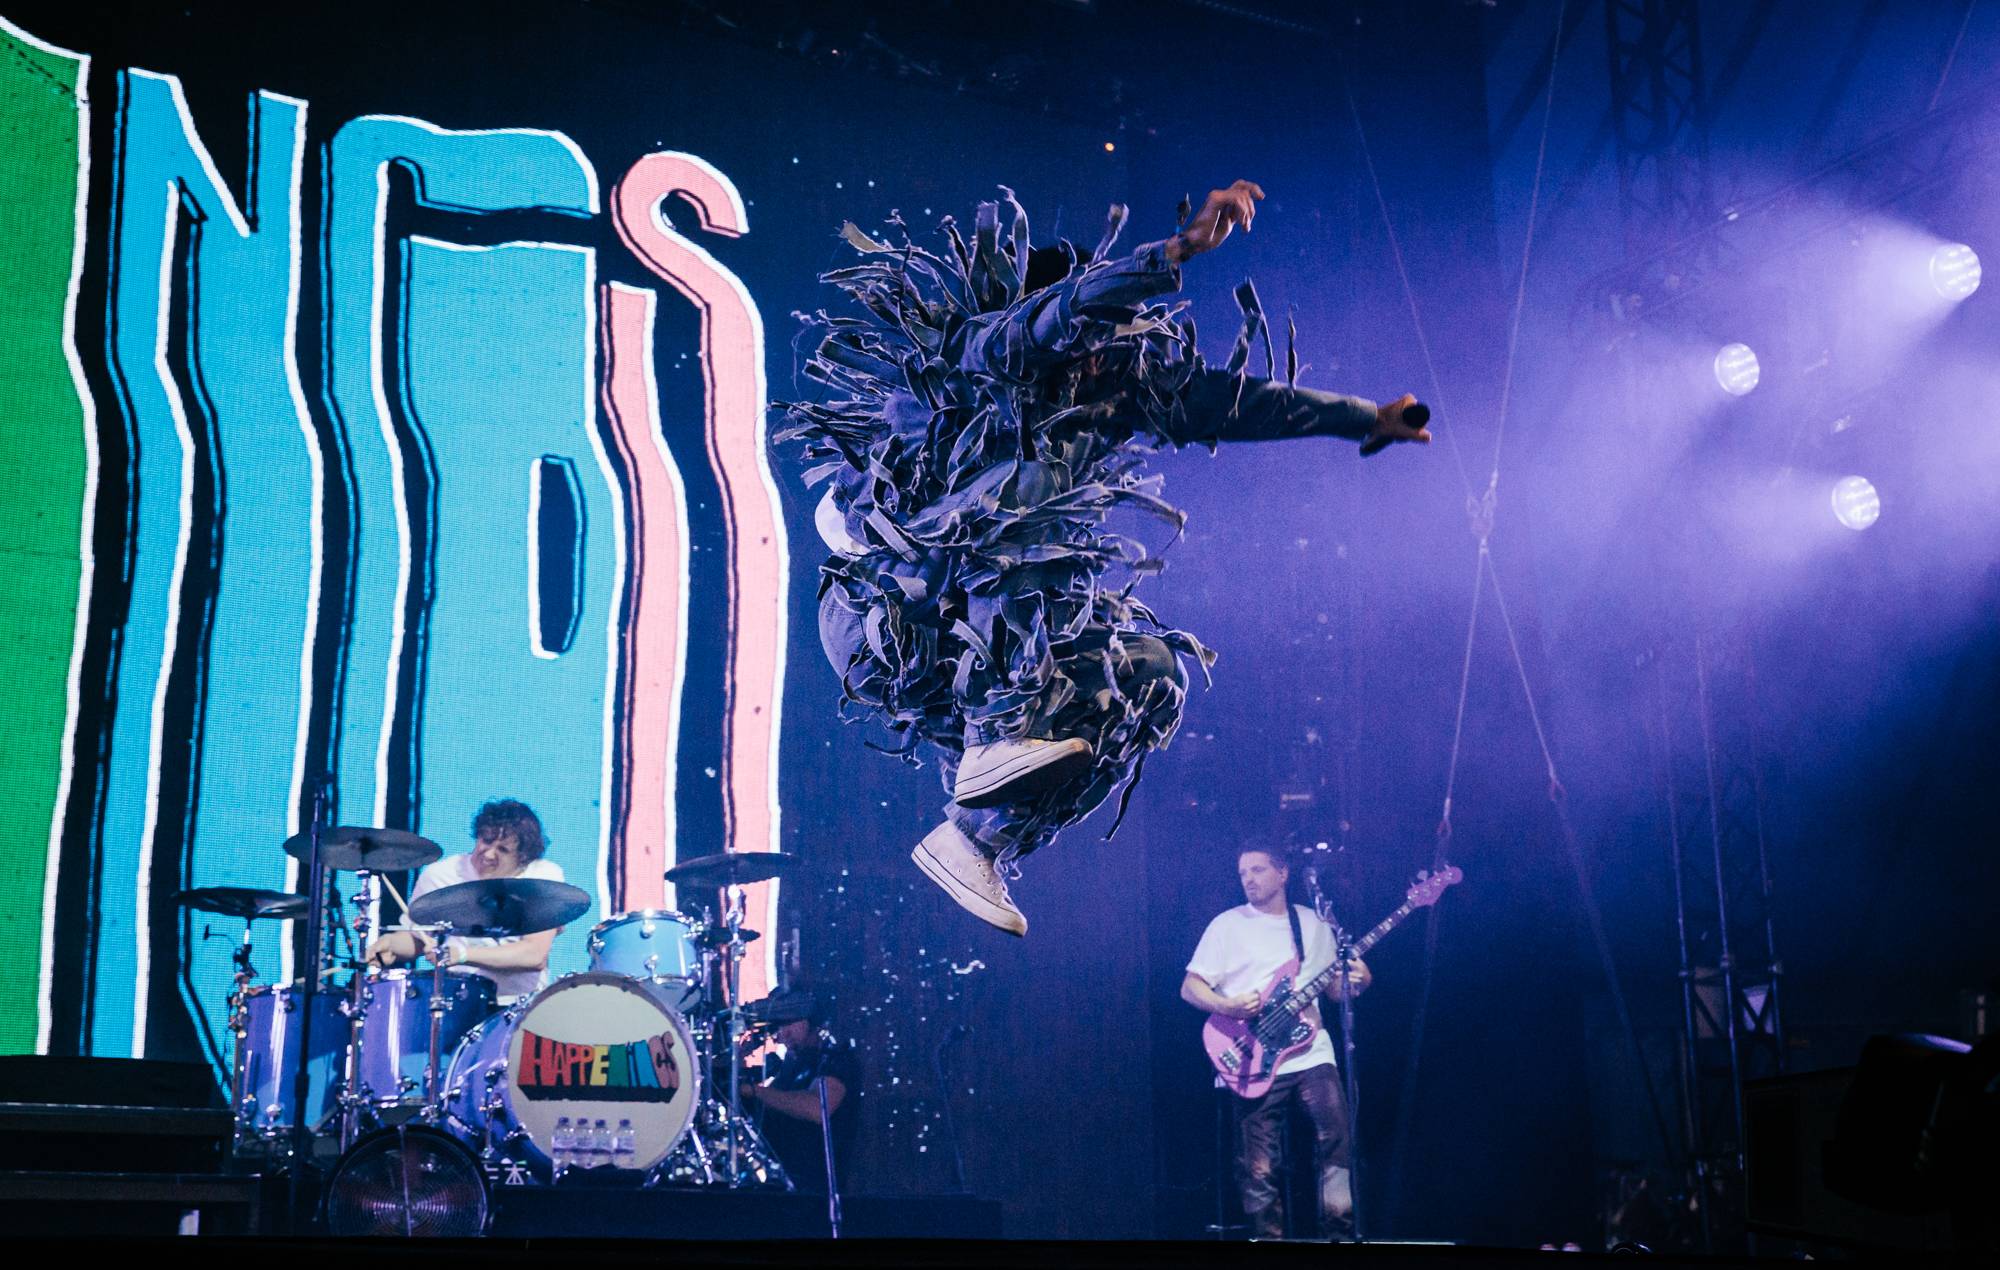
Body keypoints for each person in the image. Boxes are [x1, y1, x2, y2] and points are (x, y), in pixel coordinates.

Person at [778, 180, 1429, 937]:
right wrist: (1178, 250)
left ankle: (975, 840)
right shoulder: (981, 353)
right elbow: (1059, 317)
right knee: (1033, 482)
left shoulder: (1112, 387)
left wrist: (1363, 417)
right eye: (1087, 346)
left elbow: (1237, 403)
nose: (1098, 367)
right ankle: (1000, 726)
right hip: (886, 613)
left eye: (1107, 353)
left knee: (1151, 674)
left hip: (974, 649)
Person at [1182, 845, 1372, 1241]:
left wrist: (1359, 981)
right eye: (1242, 873)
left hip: (1312, 1054)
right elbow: (1190, 987)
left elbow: (1335, 990)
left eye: (1257, 870)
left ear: (1283, 873)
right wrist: (1228, 1004)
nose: (1248, 879)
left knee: (1336, 1143)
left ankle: (1341, 1239)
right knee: (1259, 1165)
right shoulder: (1227, 925)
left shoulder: (1314, 923)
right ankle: (1269, 1248)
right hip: (1251, 1056)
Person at [362, 798, 566, 1003]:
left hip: (520, 1004)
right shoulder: (442, 874)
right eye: (486, 841)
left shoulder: (543, 876)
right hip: (458, 1000)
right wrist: (391, 945)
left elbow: (534, 955)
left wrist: (461, 954)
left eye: (503, 849)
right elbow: (418, 939)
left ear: (523, 857)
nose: (489, 854)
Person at [741, 994, 862, 1194]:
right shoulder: (793, 1063)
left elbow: (818, 1108)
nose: (781, 1035)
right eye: (776, 1028)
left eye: (786, 1024)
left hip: (814, 1190)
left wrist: (755, 1091)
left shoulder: (836, 1059)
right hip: (781, 1183)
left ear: (807, 1019)